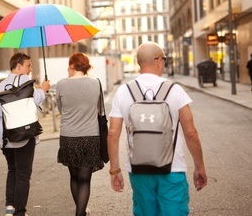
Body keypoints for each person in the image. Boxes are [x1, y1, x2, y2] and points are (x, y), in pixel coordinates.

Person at [108, 42, 208, 215]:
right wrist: (199, 167)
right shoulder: (175, 90)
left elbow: (112, 134)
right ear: (159, 61)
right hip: (172, 168)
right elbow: (190, 133)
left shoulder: (123, 91)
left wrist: (115, 170)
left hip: (138, 169)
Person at [0, 52, 50, 216]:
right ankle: (20, 212)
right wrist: (43, 89)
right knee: (23, 174)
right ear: (18, 66)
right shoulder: (24, 81)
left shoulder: (0, 86)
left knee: (12, 169)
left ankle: (10, 207)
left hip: (5, 138)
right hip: (23, 136)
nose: (30, 68)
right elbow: (35, 100)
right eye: (28, 65)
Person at [55, 52, 104, 216]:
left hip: (69, 137)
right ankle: (80, 213)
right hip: (90, 136)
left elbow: (60, 109)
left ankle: (81, 212)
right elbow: (99, 108)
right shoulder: (96, 83)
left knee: (74, 177)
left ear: (71, 65)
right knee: (85, 180)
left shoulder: (61, 84)